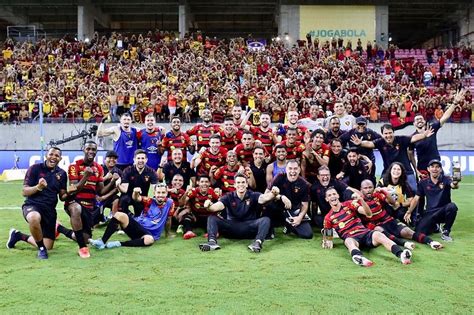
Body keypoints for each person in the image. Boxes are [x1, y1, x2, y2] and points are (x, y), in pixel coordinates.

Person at [322, 187, 413, 267]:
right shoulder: (328, 218)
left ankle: (401, 255)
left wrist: (361, 200)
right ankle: (359, 257)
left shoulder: (349, 204)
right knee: (348, 241)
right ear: (326, 199)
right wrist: (327, 241)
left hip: (365, 233)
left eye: (334, 194)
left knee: (379, 235)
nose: (332, 196)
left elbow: (368, 214)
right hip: (351, 238)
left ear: (338, 195)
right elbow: (327, 239)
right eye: (329, 195)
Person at [58, 141, 118, 258]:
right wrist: (86, 176)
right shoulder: (74, 166)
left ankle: (59, 228)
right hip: (74, 201)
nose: (91, 151)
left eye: (93, 149)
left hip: (89, 206)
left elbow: (100, 191)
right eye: (88, 149)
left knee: (85, 238)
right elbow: (74, 189)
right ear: (83, 150)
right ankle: (82, 248)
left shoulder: (98, 168)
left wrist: (112, 182)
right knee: (76, 209)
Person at [6, 147, 67, 259]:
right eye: (51, 154)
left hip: (49, 211)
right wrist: (38, 187)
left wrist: (71, 192)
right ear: (46, 155)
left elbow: (62, 197)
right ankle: (41, 250)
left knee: (48, 245)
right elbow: (24, 192)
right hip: (33, 205)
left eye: (57, 156)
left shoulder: (62, 174)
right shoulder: (35, 169)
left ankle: (18, 236)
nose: (53, 157)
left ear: (60, 158)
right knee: (34, 218)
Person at [199, 173, 279, 252]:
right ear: (234, 185)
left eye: (243, 182)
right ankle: (212, 242)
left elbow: (265, 198)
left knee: (265, 220)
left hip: (249, 228)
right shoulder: (228, 196)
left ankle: (257, 243)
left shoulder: (253, 195)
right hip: (232, 228)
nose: (241, 185)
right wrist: (209, 206)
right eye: (238, 182)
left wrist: (273, 193)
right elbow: (215, 207)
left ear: (247, 184)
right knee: (212, 218)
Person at [358, 180, 443, 250]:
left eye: (370, 187)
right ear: (361, 189)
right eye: (365, 188)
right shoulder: (358, 201)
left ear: (374, 188)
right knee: (379, 230)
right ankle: (405, 243)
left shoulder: (377, 195)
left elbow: (393, 202)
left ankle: (431, 242)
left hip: (388, 220)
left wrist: (384, 192)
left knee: (407, 232)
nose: (368, 190)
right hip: (375, 225)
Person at [351, 123, 434, 193]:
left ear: (393, 132)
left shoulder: (401, 139)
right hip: (388, 172)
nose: (388, 135)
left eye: (390, 133)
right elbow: (369, 144)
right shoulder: (380, 142)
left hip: (407, 171)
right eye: (386, 133)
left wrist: (424, 135)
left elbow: (413, 138)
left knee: (415, 192)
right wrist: (360, 143)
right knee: (379, 191)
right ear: (382, 134)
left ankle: (416, 212)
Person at [89, 183, 173, 249]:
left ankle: (119, 243)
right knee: (118, 214)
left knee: (149, 240)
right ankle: (102, 242)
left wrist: (167, 233)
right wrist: (135, 192)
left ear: (167, 193)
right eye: (158, 192)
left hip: (149, 235)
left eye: (163, 192)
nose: (160, 195)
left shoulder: (170, 203)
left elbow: (168, 219)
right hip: (138, 227)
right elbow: (137, 198)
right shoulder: (149, 201)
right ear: (154, 193)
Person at [410, 90, 466, 179]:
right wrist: (416, 170)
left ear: (424, 121)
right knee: (422, 192)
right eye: (417, 120)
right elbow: (410, 154)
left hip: (436, 165)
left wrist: (454, 103)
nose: (419, 120)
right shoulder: (413, 137)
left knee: (442, 190)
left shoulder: (431, 127)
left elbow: (444, 117)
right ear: (414, 124)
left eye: (421, 119)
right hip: (422, 168)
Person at [405, 159, 460, 241]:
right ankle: (435, 227)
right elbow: (416, 198)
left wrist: (455, 182)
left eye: (437, 167)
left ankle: (446, 231)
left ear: (440, 169)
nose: (435, 169)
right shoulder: (423, 183)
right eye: (432, 167)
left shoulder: (446, 179)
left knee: (452, 207)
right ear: (428, 169)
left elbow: (453, 186)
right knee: (419, 232)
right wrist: (409, 212)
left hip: (443, 212)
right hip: (430, 213)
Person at [267, 160, 313, 239]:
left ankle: (289, 226)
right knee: (268, 206)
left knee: (307, 234)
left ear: (299, 170)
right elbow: (267, 195)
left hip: (292, 210)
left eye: (295, 169)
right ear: (286, 169)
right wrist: (281, 196)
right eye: (290, 168)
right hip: (277, 208)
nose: (293, 171)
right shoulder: (279, 177)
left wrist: (299, 218)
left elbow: (305, 205)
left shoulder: (304, 184)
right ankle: (269, 230)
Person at [118, 149, 158, 217]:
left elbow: (155, 188)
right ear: (134, 159)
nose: (140, 160)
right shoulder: (128, 170)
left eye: (142, 158)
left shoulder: (151, 172)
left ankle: (137, 217)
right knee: (123, 200)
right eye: (138, 158)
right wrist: (118, 185)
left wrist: (154, 199)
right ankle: (127, 218)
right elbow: (124, 190)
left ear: (146, 160)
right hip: (128, 196)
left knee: (139, 218)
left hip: (141, 197)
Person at [180, 175, 221, 239]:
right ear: (197, 182)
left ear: (209, 183)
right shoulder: (193, 191)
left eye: (206, 182)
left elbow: (220, 203)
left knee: (212, 220)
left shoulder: (212, 192)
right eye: (202, 182)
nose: (204, 184)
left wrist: (220, 197)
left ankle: (211, 233)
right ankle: (189, 232)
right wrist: (186, 192)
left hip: (207, 217)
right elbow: (182, 204)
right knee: (186, 217)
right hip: (195, 217)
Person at [97, 150, 123, 219]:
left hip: (110, 196)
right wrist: (105, 178)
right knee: (95, 223)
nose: (112, 160)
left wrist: (104, 197)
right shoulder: (99, 169)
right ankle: (99, 216)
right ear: (105, 159)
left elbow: (117, 189)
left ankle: (113, 218)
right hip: (97, 196)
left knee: (117, 199)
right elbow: (95, 184)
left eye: (114, 158)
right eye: (109, 157)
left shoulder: (119, 172)